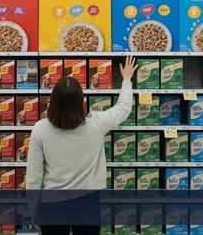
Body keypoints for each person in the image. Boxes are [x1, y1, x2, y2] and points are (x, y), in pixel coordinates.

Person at [25, 55, 138, 235]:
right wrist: (126, 80)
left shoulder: (40, 129)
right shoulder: (97, 122)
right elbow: (123, 108)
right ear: (81, 101)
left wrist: (33, 209)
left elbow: (34, 175)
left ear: (53, 101)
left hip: (52, 204)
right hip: (87, 202)